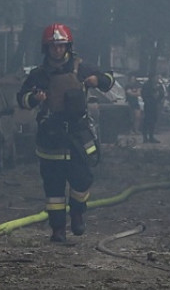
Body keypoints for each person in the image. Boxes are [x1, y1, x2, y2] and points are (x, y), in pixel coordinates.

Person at [16, 23, 114, 243]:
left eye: (61, 46)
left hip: (78, 136)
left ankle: (77, 212)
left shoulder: (81, 68)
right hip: (51, 137)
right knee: (54, 189)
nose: (57, 50)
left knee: (82, 179)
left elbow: (109, 80)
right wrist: (34, 98)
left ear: (67, 46)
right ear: (46, 49)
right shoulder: (38, 75)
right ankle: (57, 229)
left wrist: (98, 80)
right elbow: (21, 98)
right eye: (53, 47)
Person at [140, 75, 165, 143]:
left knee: (153, 120)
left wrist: (158, 97)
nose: (157, 79)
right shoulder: (147, 85)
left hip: (155, 104)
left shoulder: (158, 85)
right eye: (156, 77)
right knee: (147, 120)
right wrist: (149, 100)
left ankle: (151, 136)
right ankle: (145, 137)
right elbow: (144, 95)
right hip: (148, 105)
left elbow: (162, 93)